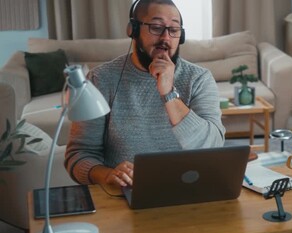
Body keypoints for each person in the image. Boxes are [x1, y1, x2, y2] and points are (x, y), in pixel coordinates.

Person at [65, 0, 225, 189]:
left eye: (174, 29)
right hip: (125, 193)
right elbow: (79, 154)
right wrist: (107, 175)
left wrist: (168, 94)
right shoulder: (101, 79)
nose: (166, 37)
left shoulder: (199, 79)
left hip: (188, 188)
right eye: (156, 27)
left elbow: (213, 145)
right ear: (133, 30)